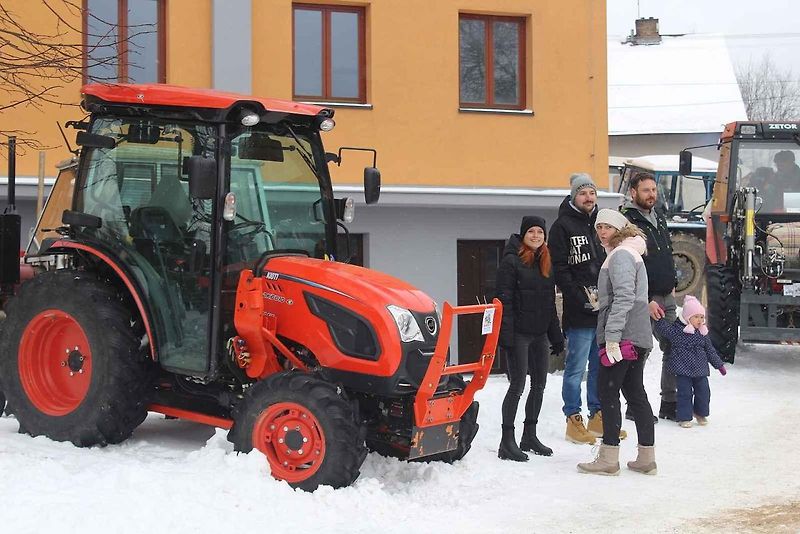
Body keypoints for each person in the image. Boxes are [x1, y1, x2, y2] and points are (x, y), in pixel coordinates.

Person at [577, 209, 656, 476]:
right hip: (638, 334)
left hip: (624, 337)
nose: (602, 231)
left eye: (608, 227)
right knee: (635, 393)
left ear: (620, 229)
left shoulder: (621, 254)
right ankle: (647, 457)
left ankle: (608, 457)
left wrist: (612, 336)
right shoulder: (630, 252)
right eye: (599, 227)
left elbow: (624, 297)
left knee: (608, 392)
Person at [496, 216, 564, 461]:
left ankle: (529, 435)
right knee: (517, 386)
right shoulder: (511, 262)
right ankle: (507, 441)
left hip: (539, 334)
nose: (536, 236)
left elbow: (549, 304)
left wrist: (555, 337)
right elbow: (504, 302)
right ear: (523, 234)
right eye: (531, 232)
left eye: (540, 232)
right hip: (519, 335)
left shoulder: (546, 262)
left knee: (539, 385)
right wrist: (507, 337)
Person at [621, 171, 678, 421]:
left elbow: (666, 252)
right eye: (646, 190)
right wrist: (644, 300)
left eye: (654, 190)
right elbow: (628, 265)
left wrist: (672, 283)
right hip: (645, 298)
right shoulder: (628, 222)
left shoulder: (659, 217)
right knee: (641, 350)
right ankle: (635, 406)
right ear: (634, 193)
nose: (651, 194)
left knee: (675, 346)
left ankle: (670, 401)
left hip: (667, 296)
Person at [653, 296, 727, 428]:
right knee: (684, 394)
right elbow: (663, 328)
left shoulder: (703, 334)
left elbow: (710, 351)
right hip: (683, 370)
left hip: (700, 370)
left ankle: (700, 413)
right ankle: (684, 417)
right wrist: (659, 317)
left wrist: (719, 365)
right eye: (696, 317)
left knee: (704, 392)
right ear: (687, 318)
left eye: (702, 317)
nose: (700, 320)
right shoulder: (677, 331)